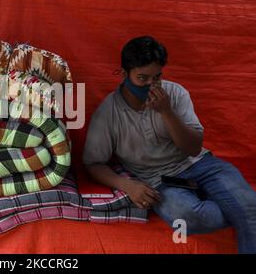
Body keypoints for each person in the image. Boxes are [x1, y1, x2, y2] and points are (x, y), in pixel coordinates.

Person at [82, 36, 256, 253]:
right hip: (160, 181)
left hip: (200, 164)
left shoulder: (175, 94)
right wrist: (127, 185)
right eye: (142, 78)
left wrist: (166, 111)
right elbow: (94, 163)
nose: (151, 85)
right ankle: (237, 210)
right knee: (191, 217)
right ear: (124, 74)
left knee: (249, 206)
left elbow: (193, 148)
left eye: (157, 77)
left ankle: (241, 209)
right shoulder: (108, 113)